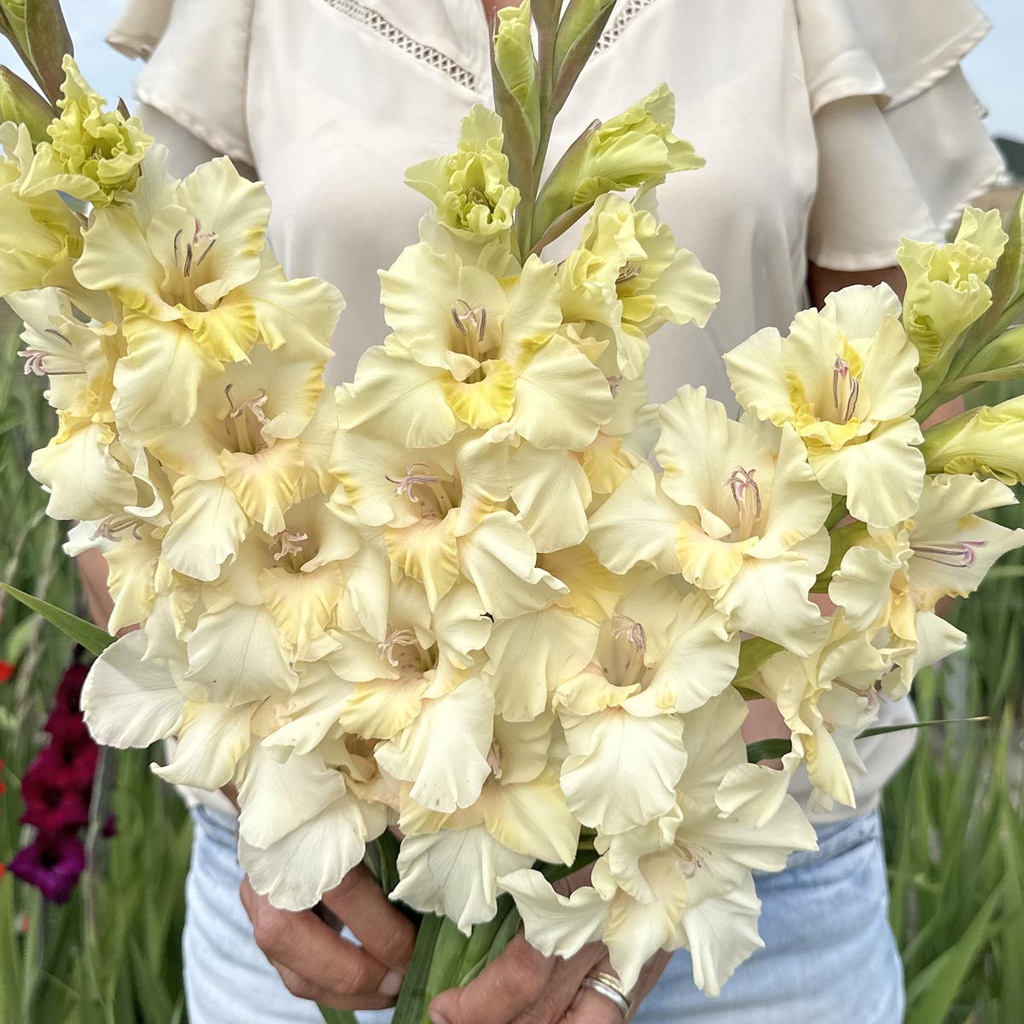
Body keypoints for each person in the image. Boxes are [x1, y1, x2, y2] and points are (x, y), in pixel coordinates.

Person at [83, 0, 1005, 1021]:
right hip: (325, 887)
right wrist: (281, 802)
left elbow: (911, 421)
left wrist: (654, 823)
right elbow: (121, 452)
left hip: (727, 880)